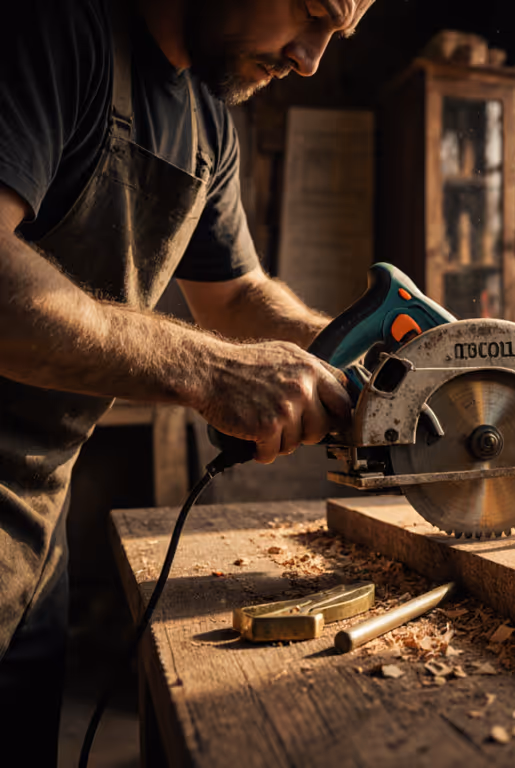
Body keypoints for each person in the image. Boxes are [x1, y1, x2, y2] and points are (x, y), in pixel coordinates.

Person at [0, 0, 377, 759]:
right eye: (312, 14)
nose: (310, 59)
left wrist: (361, 359)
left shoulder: (210, 120)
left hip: (38, 515)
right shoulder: (56, 30)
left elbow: (237, 298)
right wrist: (205, 366)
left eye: (337, 37)